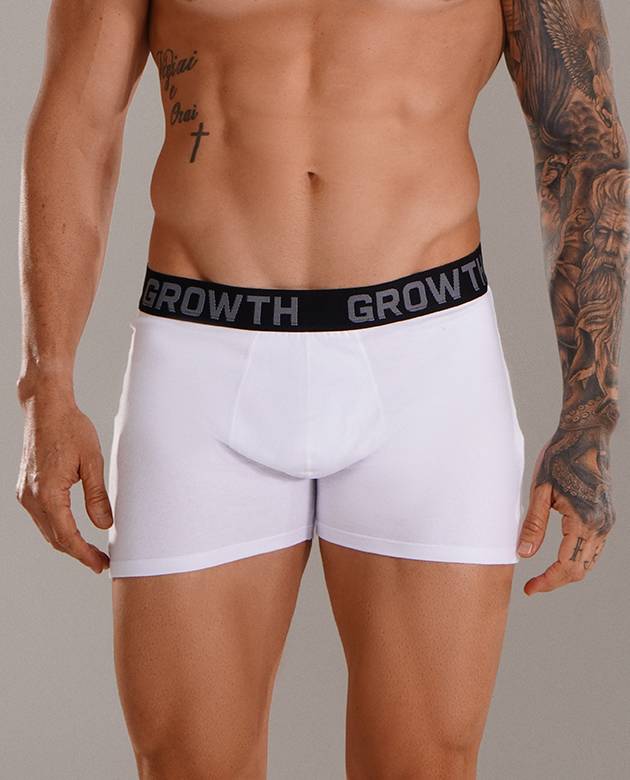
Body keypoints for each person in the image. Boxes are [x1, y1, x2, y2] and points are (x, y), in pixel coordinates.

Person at [15, 0, 628, 777]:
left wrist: (589, 416)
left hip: (426, 364)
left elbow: (580, 142)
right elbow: (80, 121)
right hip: (202, 357)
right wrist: (47, 382)